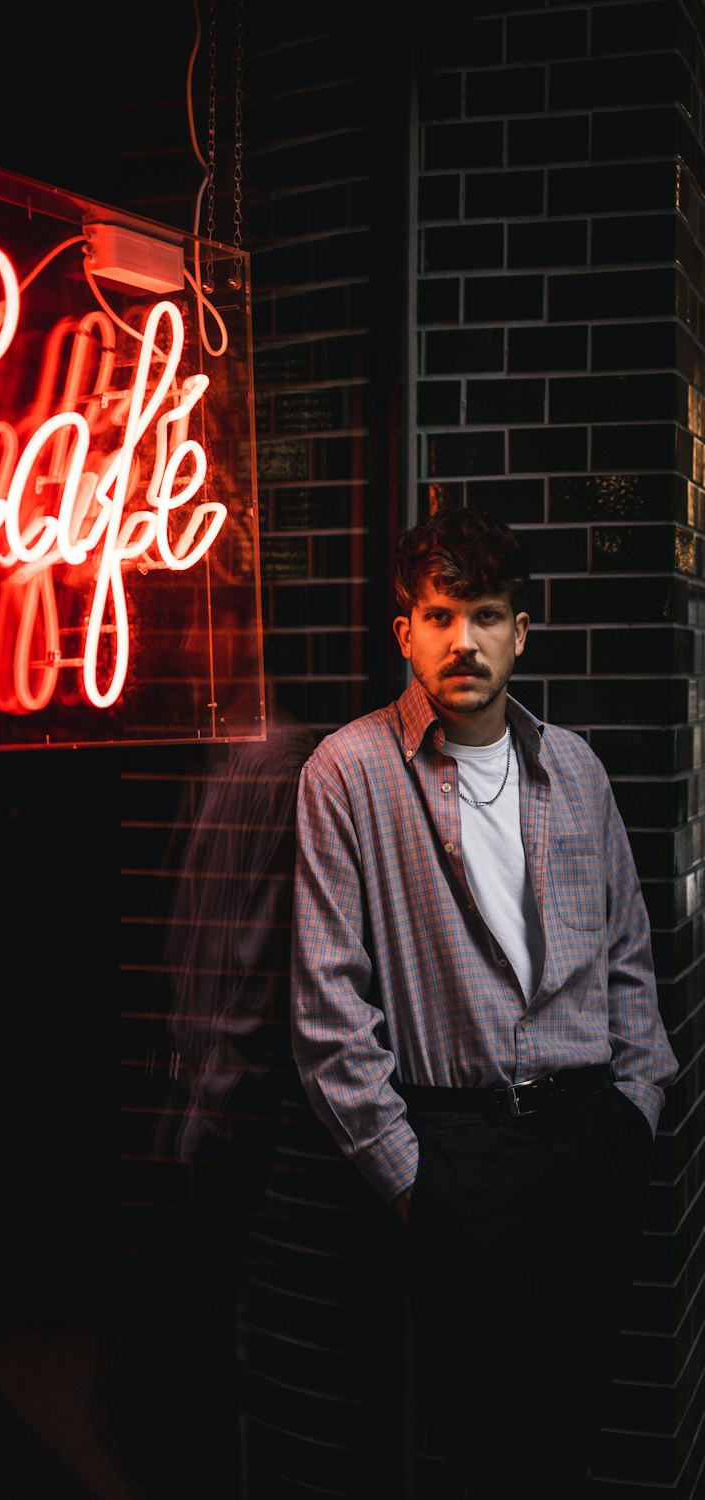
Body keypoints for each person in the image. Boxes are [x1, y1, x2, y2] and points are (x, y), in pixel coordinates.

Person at [289, 504, 678, 1499]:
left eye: (487, 614)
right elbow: (328, 1008)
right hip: (459, 1153)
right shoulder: (349, 771)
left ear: (521, 629)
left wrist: (634, 1114)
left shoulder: (575, 769)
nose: (463, 639)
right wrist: (413, 1180)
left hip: (591, 1134)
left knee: (570, 1421)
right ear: (405, 630)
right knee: (481, 1442)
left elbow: (630, 955)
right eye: (439, 614)